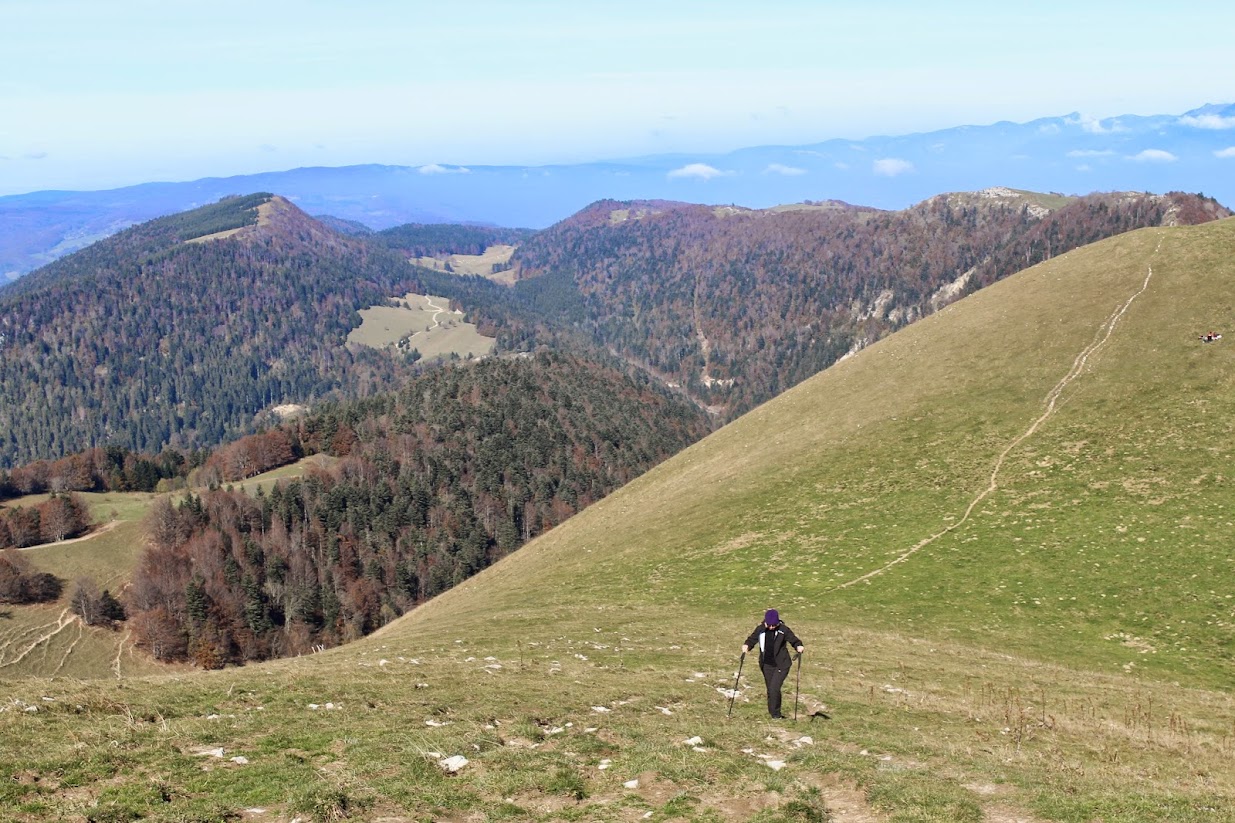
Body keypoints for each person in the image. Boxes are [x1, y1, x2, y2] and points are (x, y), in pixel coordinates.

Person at [741, 609, 805, 719]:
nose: (771, 627)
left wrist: (799, 646)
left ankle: (776, 715)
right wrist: (747, 646)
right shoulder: (760, 629)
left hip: (781, 664)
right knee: (770, 689)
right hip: (766, 665)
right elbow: (752, 639)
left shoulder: (783, 630)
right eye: (769, 625)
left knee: (774, 688)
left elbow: (794, 640)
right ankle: (772, 713)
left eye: (773, 625)